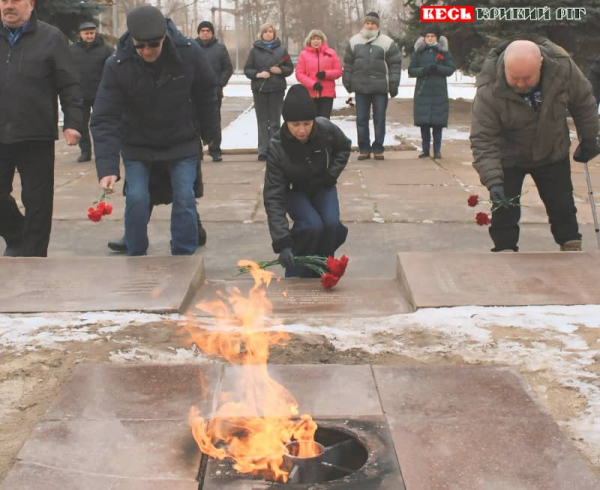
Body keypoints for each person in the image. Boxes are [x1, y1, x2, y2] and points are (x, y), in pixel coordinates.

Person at [91, 5, 219, 256]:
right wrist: (107, 167)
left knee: (184, 197)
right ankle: (136, 255)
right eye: (140, 46)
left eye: (153, 45)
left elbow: (207, 94)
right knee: (137, 198)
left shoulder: (189, 53)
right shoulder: (117, 64)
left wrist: (212, 134)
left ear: (164, 38)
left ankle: (183, 258)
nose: (147, 51)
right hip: (138, 145)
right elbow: (105, 117)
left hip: (181, 141)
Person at [470, 36, 599, 252]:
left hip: (551, 150)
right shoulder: (489, 87)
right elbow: (483, 138)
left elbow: (584, 102)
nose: (521, 84)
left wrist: (589, 139)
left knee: (562, 205)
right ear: (505, 68)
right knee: (505, 210)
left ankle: (570, 245)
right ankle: (505, 251)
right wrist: (493, 181)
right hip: (508, 156)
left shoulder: (563, 68)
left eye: (527, 78)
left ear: (541, 63)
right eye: (514, 78)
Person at [0, 0, 82, 257]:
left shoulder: (51, 38)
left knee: (38, 202)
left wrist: (73, 123)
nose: (8, 6)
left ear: (30, 4)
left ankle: (33, 258)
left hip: (36, 133)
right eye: (4, 0)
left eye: (14, 1)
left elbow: (69, 84)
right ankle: (17, 235)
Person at [263, 85, 351, 278]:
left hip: (322, 185)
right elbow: (273, 196)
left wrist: (331, 175)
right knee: (312, 226)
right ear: (286, 123)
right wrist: (283, 242)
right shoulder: (277, 147)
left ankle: (323, 269)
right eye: (295, 125)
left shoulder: (325, 129)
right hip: (295, 190)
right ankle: (296, 272)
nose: (302, 130)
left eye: (306, 123)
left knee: (331, 225)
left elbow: (344, 148)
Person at [342, 11, 401, 161]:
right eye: (367, 23)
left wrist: (393, 84)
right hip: (361, 87)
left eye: (373, 23)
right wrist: (347, 81)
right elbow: (348, 63)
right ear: (364, 24)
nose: (370, 26)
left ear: (377, 25)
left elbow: (394, 64)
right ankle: (364, 149)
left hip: (380, 88)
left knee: (379, 118)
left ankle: (378, 148)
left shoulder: (387, 42)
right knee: (361, 119)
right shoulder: (354, 41)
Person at [244, 23, 294, 161]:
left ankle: (275, 150)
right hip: (260, 90)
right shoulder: (254, 51)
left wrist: (281, 71)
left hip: (277, 89)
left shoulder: (282, 50)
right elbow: (247, 69)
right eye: (265, 31)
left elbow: (289, 68)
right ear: (261, 34)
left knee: (274, 121)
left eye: (270, 31)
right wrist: (258, 74)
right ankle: (263, 150)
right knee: (262, 122)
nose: (268, 33)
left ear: (274, 33)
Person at [408, 24, 455, 160]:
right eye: (427, 36)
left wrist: (437, 68)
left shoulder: (443, 52)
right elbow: (411, 70)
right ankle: (425, 150)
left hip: (438, 92)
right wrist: (423, 70)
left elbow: (450, 69)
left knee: (437, 124)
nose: (429, 38)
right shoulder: (418, 52)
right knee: (424, 124)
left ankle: (437, 150)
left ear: (437, 37)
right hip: (423, 92)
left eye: (432, 36)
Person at [69, 21, 113, 163]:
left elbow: (112, 70)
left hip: (100, 94)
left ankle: (105, 151)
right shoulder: (72, 50)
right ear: (80, 34)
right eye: (86, 33)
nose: (89, 36)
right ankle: (85, 152)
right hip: (80, 94)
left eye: (92, 33)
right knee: (82, 124)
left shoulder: (106, 50)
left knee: (102, 124)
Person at [195, 20, 233, 162]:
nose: (205, 33)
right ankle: (196, 151)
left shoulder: (220, 48)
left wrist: (219, 84)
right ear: (199, 33)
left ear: (212, 33)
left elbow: (227, 68)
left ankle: (215, 150)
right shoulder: (192, 47)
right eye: (202, 30)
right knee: (195, 122)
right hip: (195, 93)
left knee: (214, 122)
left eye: (208, 31)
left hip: (214, 93)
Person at [295, 29, 342, 119]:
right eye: (313, 39)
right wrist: (312, 84)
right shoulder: (303, 54)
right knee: (311, 121)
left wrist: (326, 74)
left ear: (322, 40)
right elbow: (299, 74)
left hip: (327, 93)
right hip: (310, 93)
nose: (316, 41)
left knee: (324, 121)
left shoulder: (331, 53)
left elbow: (338, 71)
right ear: (310, 41)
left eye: (318, 39)